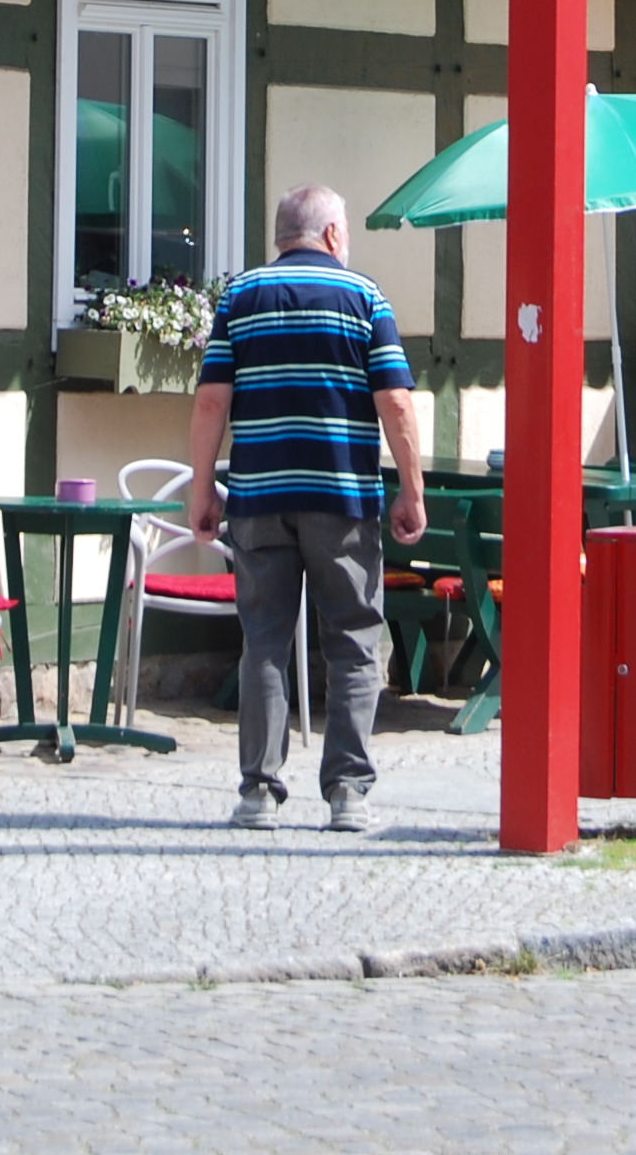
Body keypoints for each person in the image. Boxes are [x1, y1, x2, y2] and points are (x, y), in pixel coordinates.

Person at [185, 183, 429, 831]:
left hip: (260, 497)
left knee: (263, 640)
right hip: (341, 497)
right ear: (330, 235)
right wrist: (412, 486)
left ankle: (257, 793)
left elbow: (212, 400)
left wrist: (203, 486)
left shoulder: (240, 297)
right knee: (352, 640)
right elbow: (396, 402)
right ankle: (347, 793)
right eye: (344, 230)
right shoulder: (363, 297)